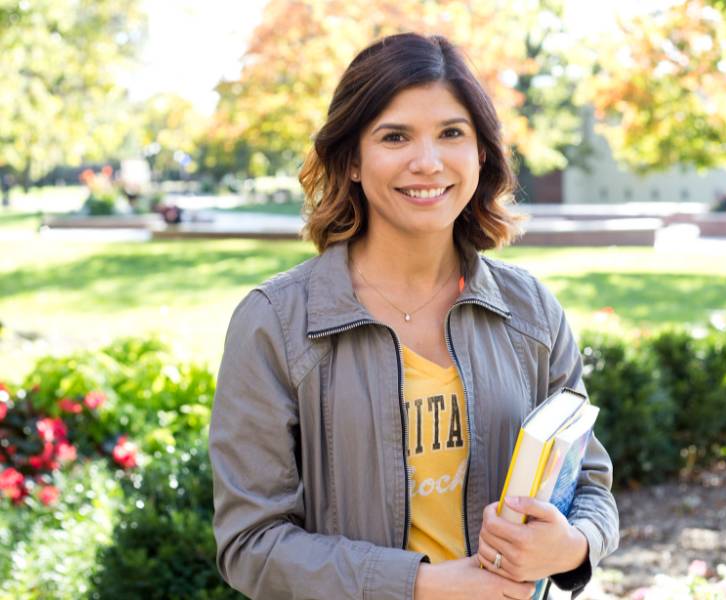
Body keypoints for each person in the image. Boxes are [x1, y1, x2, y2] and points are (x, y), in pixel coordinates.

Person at [209, 32, 619, 600]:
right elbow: (251, 544)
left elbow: (591, 483)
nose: (427, 162)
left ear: (480, 152)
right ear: (352, 160)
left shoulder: (531, 312)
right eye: (395, 136)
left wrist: (571, 545)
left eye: (451, 133)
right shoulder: (276, 324)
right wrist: (424, 585)